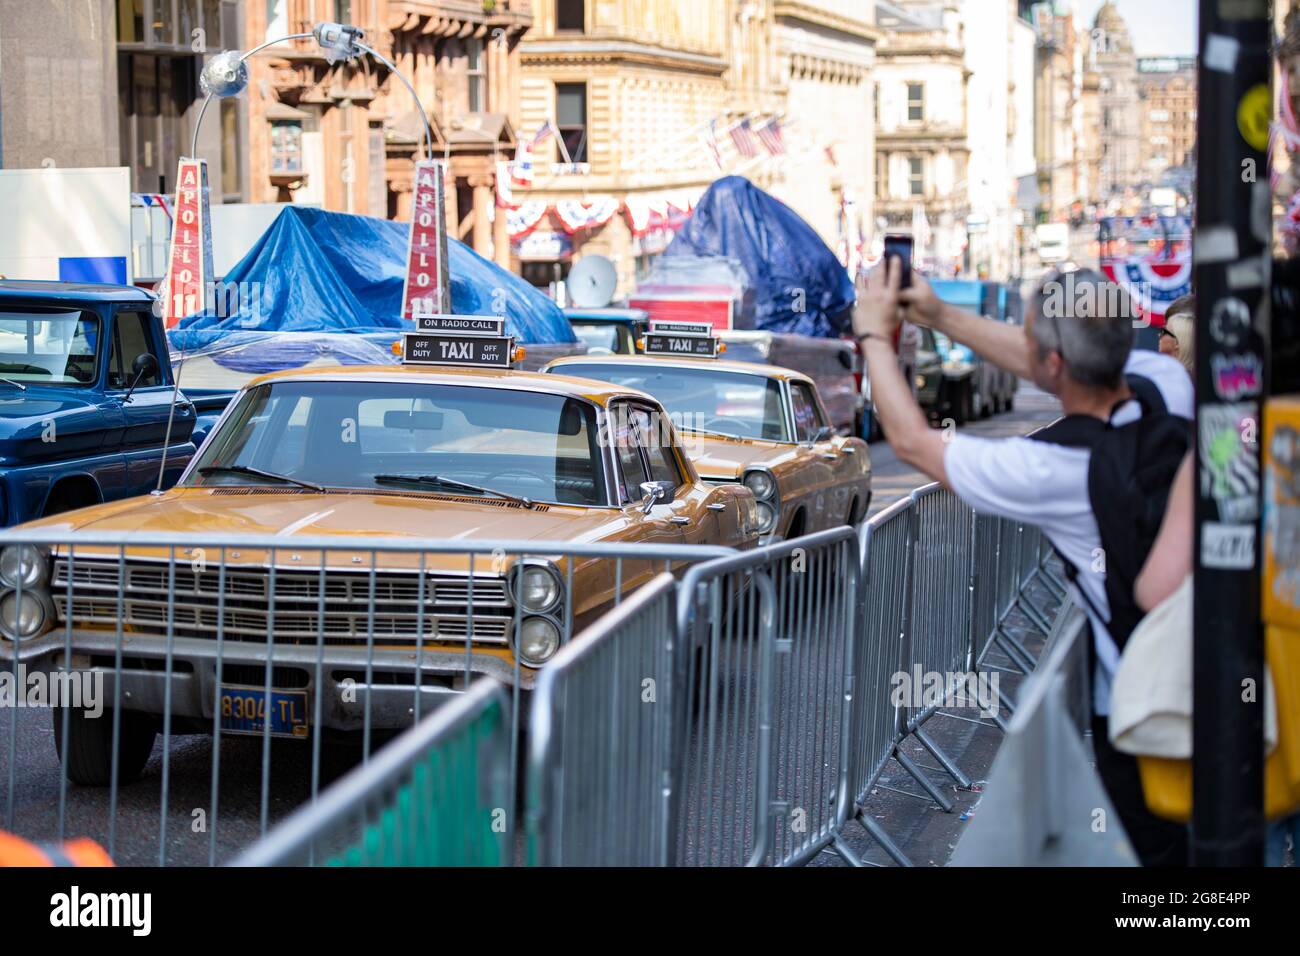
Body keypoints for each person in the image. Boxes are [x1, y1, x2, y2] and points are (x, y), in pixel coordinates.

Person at [854, 259, 1194, 866]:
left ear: (1053, 365)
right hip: (1230, 684)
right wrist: (936, 313)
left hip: (1145, 714)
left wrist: (876, 336)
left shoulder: (1054, 469)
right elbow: (1047, 353)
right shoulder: (1168, 387)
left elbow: (910, 441)